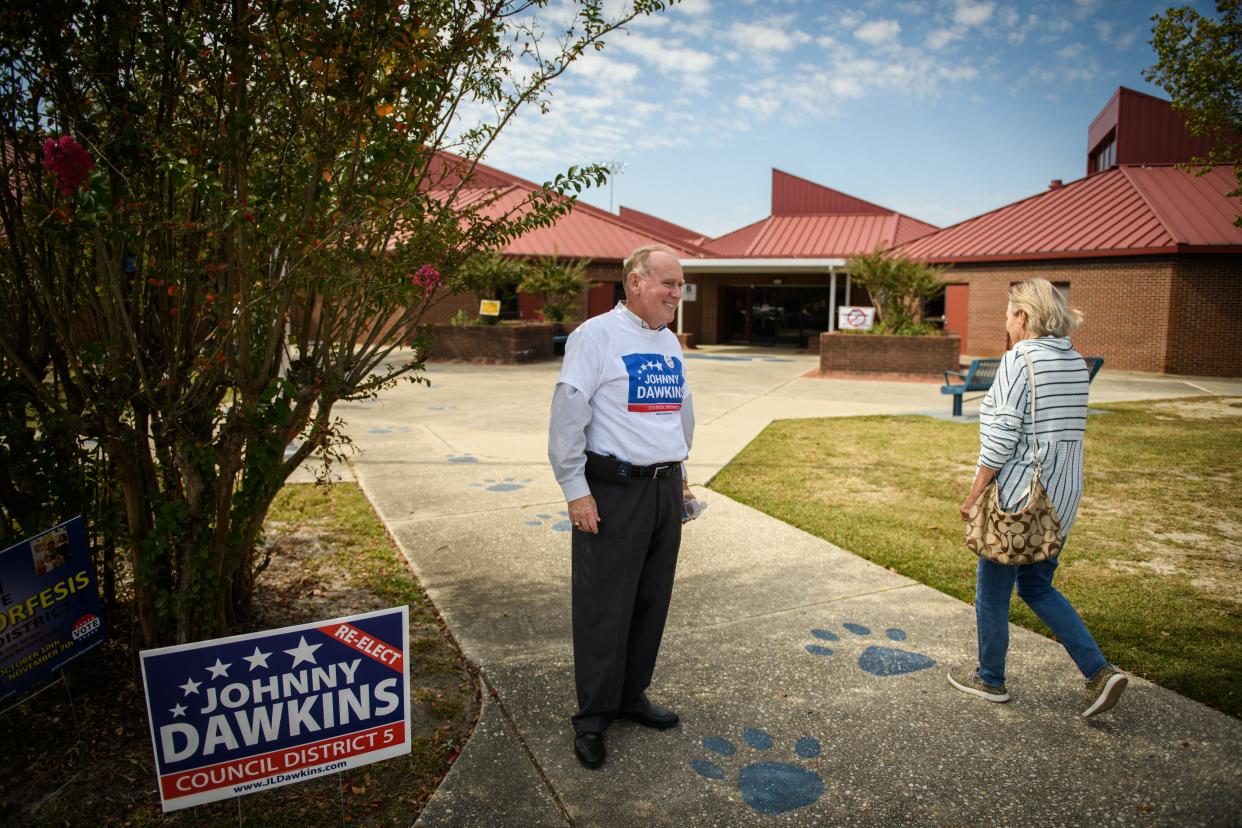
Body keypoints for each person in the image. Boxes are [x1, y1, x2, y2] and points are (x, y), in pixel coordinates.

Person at [547, 243, 695, 769]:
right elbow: (568, 415)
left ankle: (632, 696)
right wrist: (574, 490)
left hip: (661, 489)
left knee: (651, 602)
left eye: (681, 285)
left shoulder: (670, 341)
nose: (677, 294)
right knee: (604, 609)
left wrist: (680, 480)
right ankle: (592, 717)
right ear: (635, 282)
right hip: (612, 491)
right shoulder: (595, 337)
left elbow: (677, 412)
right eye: (668, 284)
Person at [950, 278, 1127, 718]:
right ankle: (1099, 671)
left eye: (1009, 315)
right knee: (1037, 584)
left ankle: (990, 679)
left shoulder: (1019, 361)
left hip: (1019, 497)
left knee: (992, 591)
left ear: (1023, 317)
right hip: (1062, 497)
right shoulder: (1074, 361)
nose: (1006, 324)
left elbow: (1002, 438)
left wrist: (974, 493)